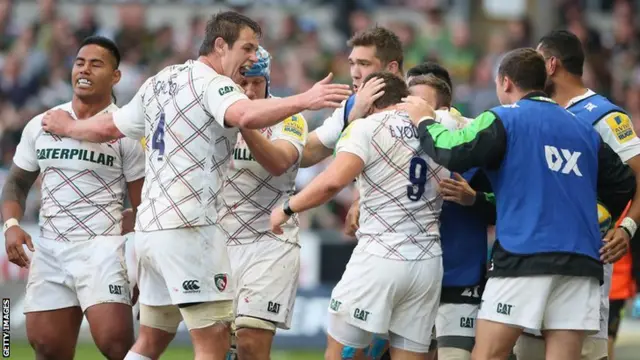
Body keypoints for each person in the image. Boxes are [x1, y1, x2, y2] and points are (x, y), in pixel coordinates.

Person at [40, 11, 351, 360]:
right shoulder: (214, 84)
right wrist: (306, 99)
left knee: (150, 341)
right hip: (191, 227)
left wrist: (68, 127)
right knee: (215, 339)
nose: (252, 57)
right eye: (247, 48)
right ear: (221, 45)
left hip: (151, 231)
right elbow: (245, 114)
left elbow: (109, 127)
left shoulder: (161, 79)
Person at [399, 47, 633, 360]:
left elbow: (452, 151)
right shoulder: (581, 129)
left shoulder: (504, 118)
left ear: (505, 83)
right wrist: (602, 221)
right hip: (581, 263)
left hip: (525, 256)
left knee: (488, 355)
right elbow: (624, 186)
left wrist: (425, 120)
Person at [270, 72, 444, 360]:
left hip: (380, 257)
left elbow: (332, 182)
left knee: (340, 353)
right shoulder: (437, 126)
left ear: (371, 99)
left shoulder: (366, 127)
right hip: (427, 262)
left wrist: (287, 208)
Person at [2, 36, 144, 360]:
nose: (85, 69)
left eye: (96, 64)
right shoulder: (41, 124)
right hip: (50, 247)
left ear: (116, 76)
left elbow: (144, 204)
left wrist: (137, 261)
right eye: (80, 62)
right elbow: (15, 186)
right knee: (48, 349)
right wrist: (11, 224)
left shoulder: (127, 130)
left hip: (102, 248)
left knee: (116, 344)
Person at [512, 29, 640, 360]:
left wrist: (628, 227)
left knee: (586, 352)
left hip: (586, 257)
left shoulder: (604, 115)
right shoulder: (536, 111)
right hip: (537, 251)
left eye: (537, 60)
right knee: (528, 349)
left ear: (551, 64)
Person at [219, 46, 307, 359]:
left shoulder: (288, 116)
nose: (249, 90)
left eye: (256, 82)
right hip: (217, 242)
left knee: (250, 344)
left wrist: (245, 122)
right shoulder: (212, 116)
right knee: (216, 346)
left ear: (267, 80)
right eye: (241, 82)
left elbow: (280, 162)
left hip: (269, 242)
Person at [300, 26, 404, 168]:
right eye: (352, 63)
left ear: (391, 68)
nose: (354, 74)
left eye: (364, 64)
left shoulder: (422, 99)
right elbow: (306, 153)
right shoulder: (351, 105)